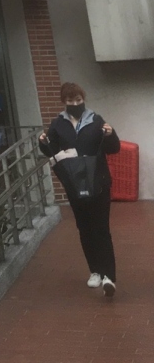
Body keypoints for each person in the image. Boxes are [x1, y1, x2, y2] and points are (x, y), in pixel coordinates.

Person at [38, 82, 120, 297]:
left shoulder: (96, 120)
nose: (75, 104)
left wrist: (111, 134)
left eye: (78, 100)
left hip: (99, 182)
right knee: (85, 228)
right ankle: (95, 271)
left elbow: (114, 148)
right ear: (63, 102)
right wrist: (43, 142)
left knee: (101, 228)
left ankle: (109, 276)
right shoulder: (58, 124)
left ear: (83, 99)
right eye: (70, 101)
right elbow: (51, 150)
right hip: (75, 184)